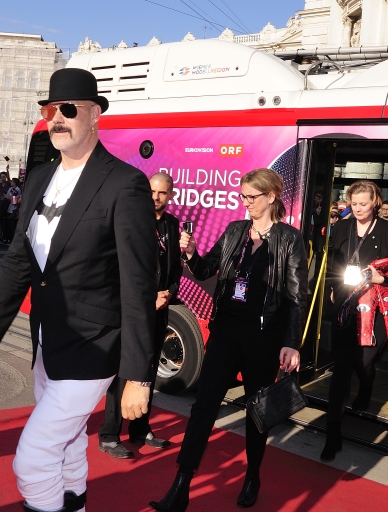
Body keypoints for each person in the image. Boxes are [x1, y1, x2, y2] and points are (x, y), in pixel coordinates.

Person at [0, 68, 156, 512]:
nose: (58, 119)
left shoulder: (125, 184)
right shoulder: (39, 178)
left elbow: (139, 286)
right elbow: (18, 262)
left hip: (94, 346)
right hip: (47, 343)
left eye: (69, 110)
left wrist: (139, 376)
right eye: (51, 110)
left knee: (33, 457)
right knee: (67, 448)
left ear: (95, 116)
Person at [150, 168, 307, 512]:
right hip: (225, 333)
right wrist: (191, 253)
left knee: (256, 410)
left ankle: (252, 474)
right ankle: (182, 483)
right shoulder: (236, 230)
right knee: (203, 406)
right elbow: (207, 270)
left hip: (262, 339)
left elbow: (297, 296)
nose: (247, 203)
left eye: (252, 197)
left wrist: (292, 342)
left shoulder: (289, 239)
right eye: (243, 196)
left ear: (271, 197)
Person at [320, 180, 388, 461]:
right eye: (353, 204)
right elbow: (334, 261)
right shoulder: (341, 227)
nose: (358, 209)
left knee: (364, 360)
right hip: (346, 299)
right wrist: (333, 288)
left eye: (363, 203)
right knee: (342, 367)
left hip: (376, 302)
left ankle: (367, 386)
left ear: (376, 202)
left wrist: (384, 277)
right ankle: (333, 434)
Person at [99, 171, 182, 458]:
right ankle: (109, 434)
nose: (156, 198)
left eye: (162, 193)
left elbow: (175, 270)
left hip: (160, 309)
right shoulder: (133, 223)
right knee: (123, 371)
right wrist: (148, 297)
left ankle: (139, 428)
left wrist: (168, 292)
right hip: (133, 310)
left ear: (170, 195)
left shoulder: (172, 225)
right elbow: (119, 269)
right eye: (152, 192)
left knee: (148, 370)